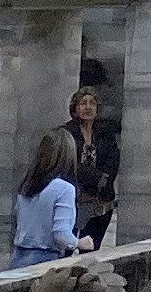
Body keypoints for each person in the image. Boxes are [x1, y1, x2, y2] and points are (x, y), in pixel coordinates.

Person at [12, 129, 82, 269]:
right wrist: (79, 243)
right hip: (46, 259)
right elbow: (61, 235)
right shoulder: (65, 189)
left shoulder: (27, 185)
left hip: (18, 257)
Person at [65, 80, 121, 250]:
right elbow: (70, 162)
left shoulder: (105, 133)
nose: (88, 107)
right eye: (83, 103)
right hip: (75, 199)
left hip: (100, 201)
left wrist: (105, 180)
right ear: (75, 108)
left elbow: (113, 158)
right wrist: (96, 177)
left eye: (92, 103)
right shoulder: (67, 133)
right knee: (67, 246)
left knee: (92, 247)